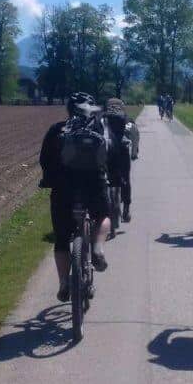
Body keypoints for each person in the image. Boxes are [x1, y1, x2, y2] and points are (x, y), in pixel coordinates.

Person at [39, 92, 114, 302]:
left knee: (62, 239)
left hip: (64, 189)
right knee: (103, 216)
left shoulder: (57, 130)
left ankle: (64, 282)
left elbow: (45, 159)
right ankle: (98, 249)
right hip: (94, 185)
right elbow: (111, 152)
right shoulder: (99, 127)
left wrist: (48, 180)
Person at [104, 97, 136, 222]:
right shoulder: (127, 119)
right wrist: (134, 152)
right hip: (122, 151)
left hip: (106, 150)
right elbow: (134, 134)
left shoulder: (102, 117)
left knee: (103, 176)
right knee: (125, 179)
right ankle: (126, 210)